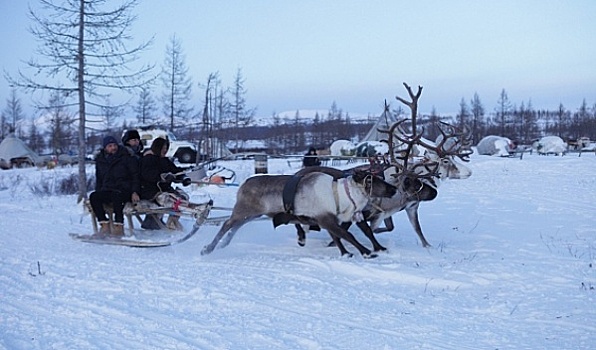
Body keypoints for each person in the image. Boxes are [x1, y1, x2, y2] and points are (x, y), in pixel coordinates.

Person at [89, 135, 141, 236]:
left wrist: (135, 191)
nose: (113, 148)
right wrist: (99, 191)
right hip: (108, 189)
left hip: (124, 189)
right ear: (105, 148)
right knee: (94, 196)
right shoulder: (101, 160)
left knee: (116, 196)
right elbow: (99, 179)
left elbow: (135, 176)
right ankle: (104, 225)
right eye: (110, 146)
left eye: (114, 145)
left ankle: (118, 227)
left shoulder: (126, 157)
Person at [139, 137, 192, 230]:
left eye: (166, 148)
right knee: (176, 202)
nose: (165, 150)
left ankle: (172, 221)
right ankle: (165, 223)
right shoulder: (148, 159)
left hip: (165, 190)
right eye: (163, 148)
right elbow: (147, 174)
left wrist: (184, 177)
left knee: (184, 198)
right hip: (151, 191)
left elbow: (175, 171)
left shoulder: (165, 160)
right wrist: (162, 177)